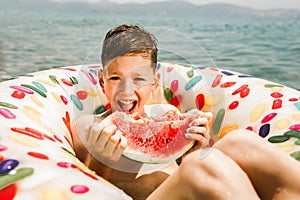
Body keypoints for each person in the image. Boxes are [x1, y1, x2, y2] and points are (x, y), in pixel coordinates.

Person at [71, 24, 300, 200]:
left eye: (139, 78)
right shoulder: (89, 126)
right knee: (199, 166)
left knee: (239, 142)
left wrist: (194, 149)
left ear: (154, 81)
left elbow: (184, 171)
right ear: (102, 82)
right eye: (115, 78)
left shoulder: (167, 113)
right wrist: (101, 161)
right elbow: (87, 189)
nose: (126, 90)